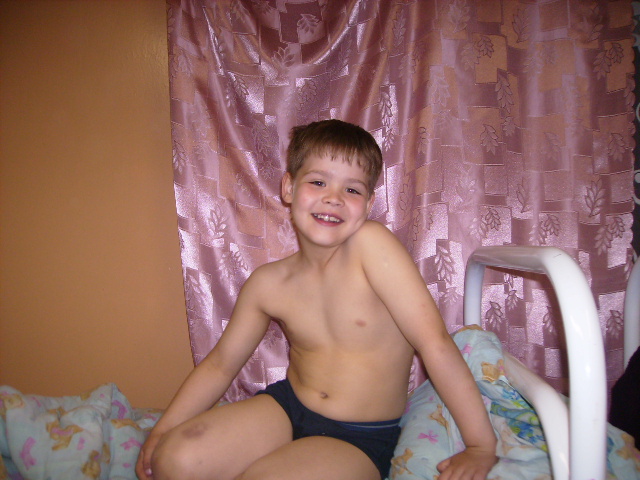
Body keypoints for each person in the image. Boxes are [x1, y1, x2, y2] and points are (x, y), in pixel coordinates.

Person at [136, 119, 498, 480]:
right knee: (174, 460)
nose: (333, 198)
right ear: (289, 187)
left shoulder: (370, 246)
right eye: (318, 182)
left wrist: (481, 445)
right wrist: (162, 429)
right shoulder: (268, 283)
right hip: (286, 407)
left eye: (352, 189)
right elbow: (221, 365)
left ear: (368, 204)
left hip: (360, 437)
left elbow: (434, 343)